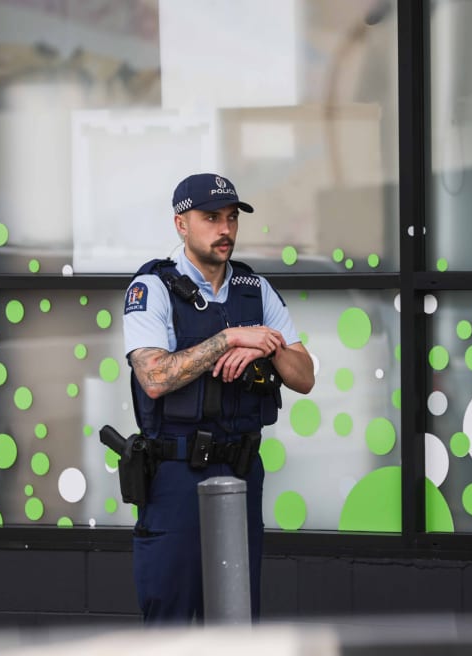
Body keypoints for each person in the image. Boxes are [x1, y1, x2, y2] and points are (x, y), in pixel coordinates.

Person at [121, 173, 315, 624]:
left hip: (241, 470)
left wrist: (266, 345)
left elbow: (304, 377)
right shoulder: (152, 288)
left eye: (231, 218)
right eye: (211, 218)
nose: (225, 229)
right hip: (175, 474)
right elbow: (154, 377)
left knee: (235, 617)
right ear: (181, 224)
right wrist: (229, 338)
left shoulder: (255, 289)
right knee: (171, 619)